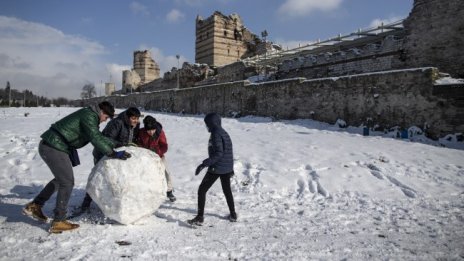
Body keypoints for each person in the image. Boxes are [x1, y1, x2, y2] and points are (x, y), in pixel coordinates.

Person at [22, 101, 131, 233]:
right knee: (67, 182)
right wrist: (112, 153)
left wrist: (117, 144)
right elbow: (95, 138)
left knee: (60, 180)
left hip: (54, 145)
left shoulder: (89, 116)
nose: (104, 120)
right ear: (101, 112)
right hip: (54, 146)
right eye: (106, 117)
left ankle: (35, 205)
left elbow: (99, 136)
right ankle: (59, 221)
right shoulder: (89, 116)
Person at [80, 107, 141, 211]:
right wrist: (124, 144)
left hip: (118, 155)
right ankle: (86, 203)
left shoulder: (135, 125)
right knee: (98, 177)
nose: (136, 121)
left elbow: (133, 139)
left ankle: (113, 205)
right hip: (103, 153)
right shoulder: (117, 123)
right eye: (134, 118)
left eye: (137, 118)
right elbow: (107, 139)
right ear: (128, 117)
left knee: (116, 180)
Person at [188, 113, 237, 225]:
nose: (207, 126)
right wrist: (230, 168)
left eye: (207, 124)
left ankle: (200, 217)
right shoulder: (224, 132)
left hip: (217, 166)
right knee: (227, 190)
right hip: (226, 167)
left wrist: (204, 164)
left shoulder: (216, 134)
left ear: (212, 123)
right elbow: (229, 151)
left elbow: (219, 153)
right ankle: (233, 214)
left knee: (202, 190)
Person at [137, 115, 176, 202]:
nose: (151, 132)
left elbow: (164, 146)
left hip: (159, 156)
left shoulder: (160, 132)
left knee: (166, 172)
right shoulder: (141, 132)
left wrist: (158, 152)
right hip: (145, 157)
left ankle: (169, 191)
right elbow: (139, 143)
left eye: (152, 130)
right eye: (149, 130)